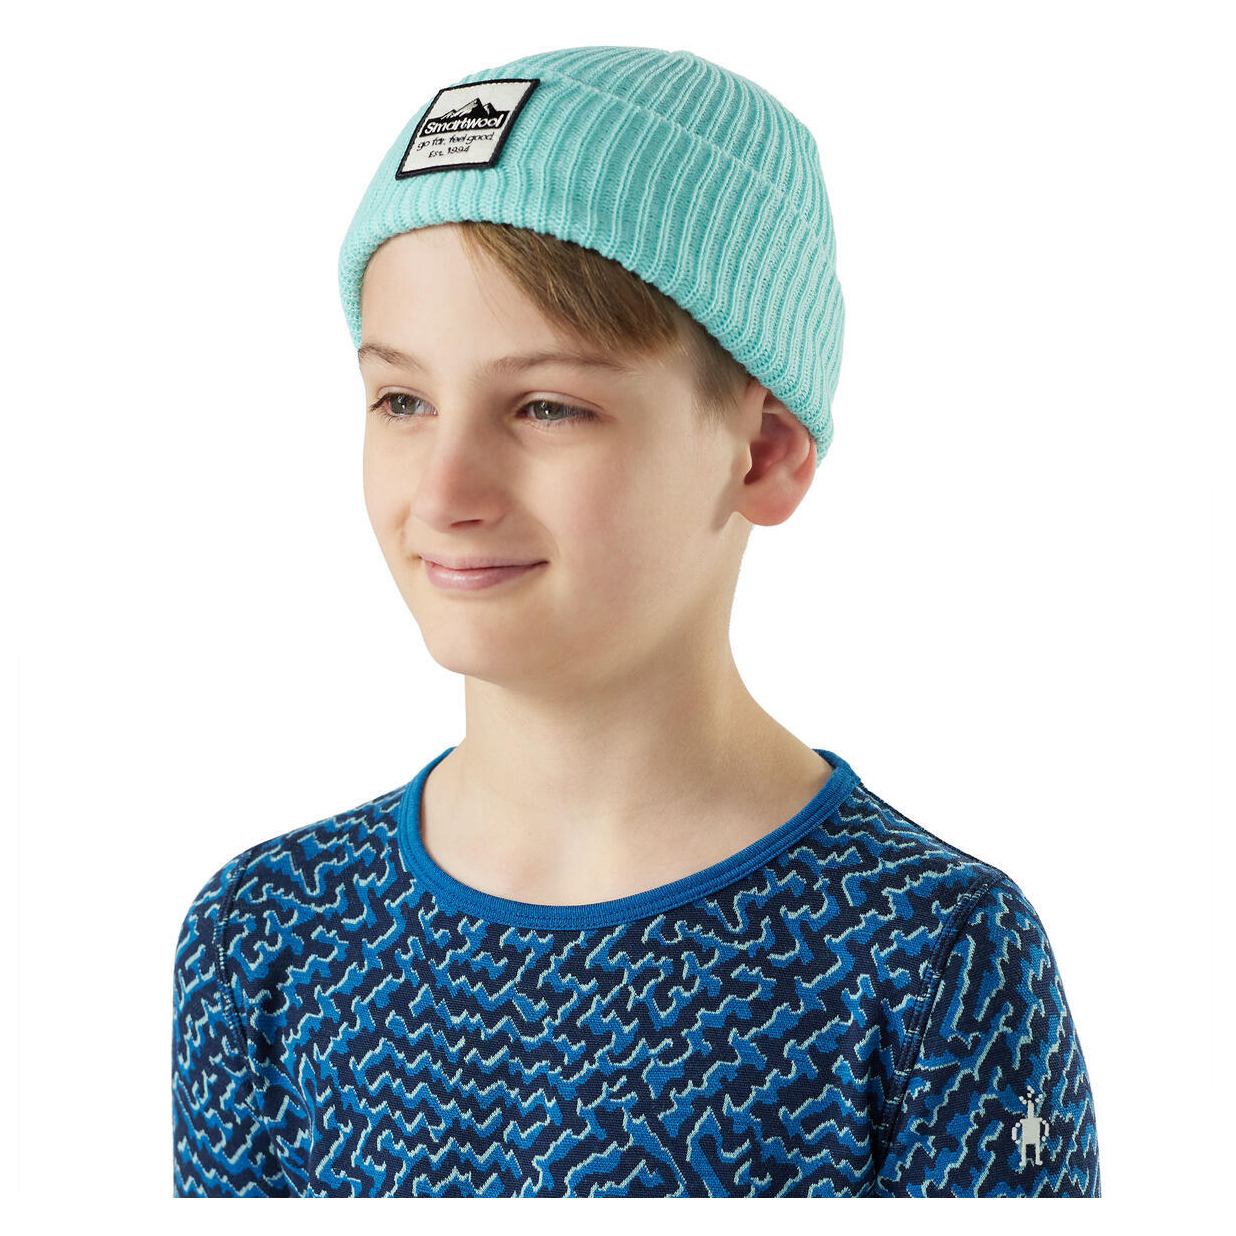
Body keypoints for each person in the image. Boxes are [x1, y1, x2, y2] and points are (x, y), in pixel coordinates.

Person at [171, 44, 1100, 1198]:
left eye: (546, 407)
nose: (446, 492)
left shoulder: (931, 962)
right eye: (402, 400)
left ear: (763, 452)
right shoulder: (269, 938)